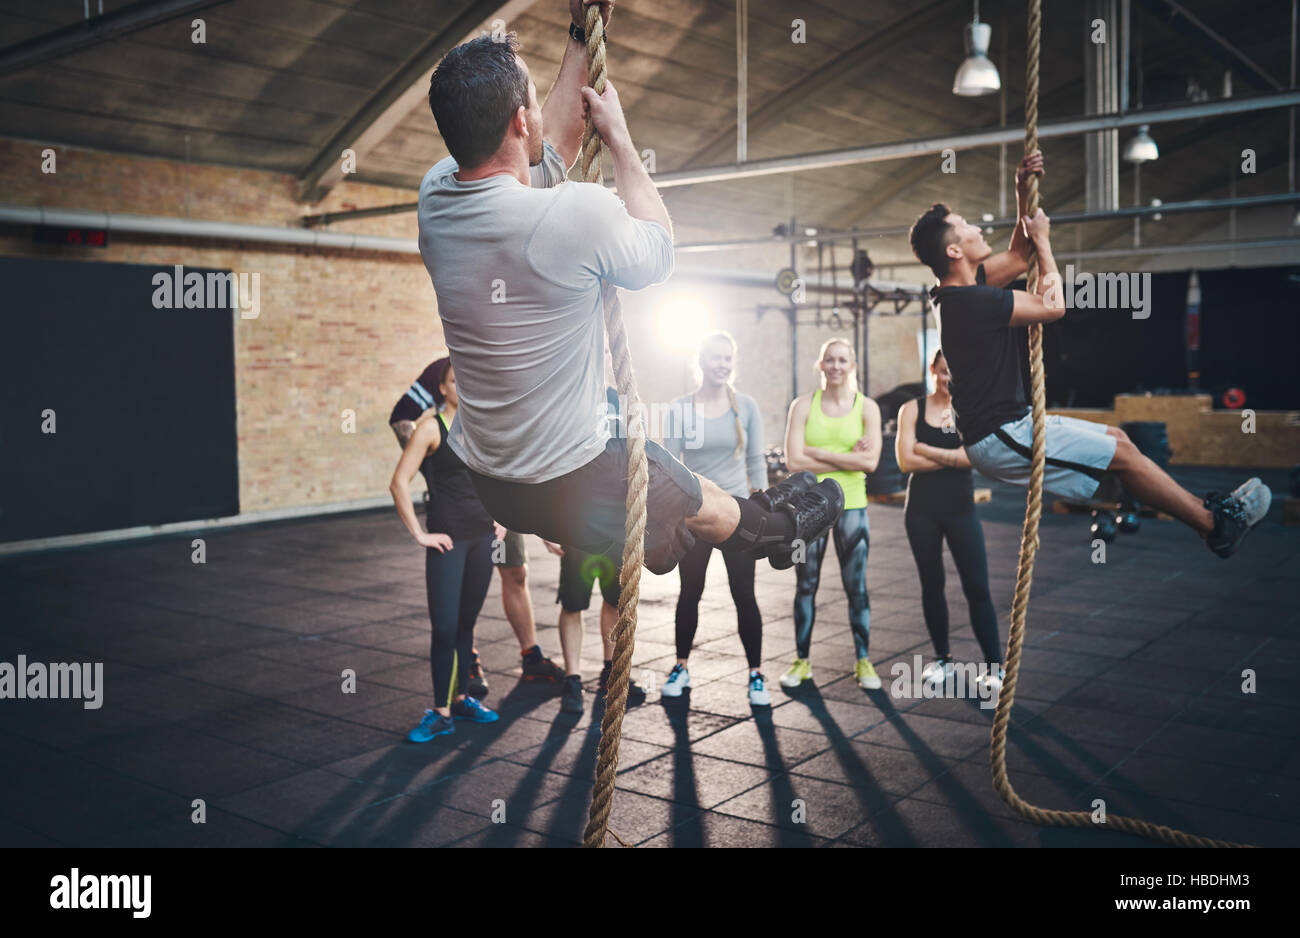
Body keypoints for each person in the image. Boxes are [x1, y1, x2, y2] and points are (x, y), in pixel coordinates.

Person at [416, 4, 843, 587]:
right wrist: (620, 140)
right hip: (567, 475)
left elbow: (554, 150)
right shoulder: (570, 216)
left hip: (492, 481)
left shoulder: (437, 196)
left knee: (637, 439)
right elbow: (658, 251)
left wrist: (581, 32)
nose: (542, 113)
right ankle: (770, 532)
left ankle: (669, 529)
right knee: (715, 509)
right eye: (535, 103)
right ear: (520, 120)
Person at [907, 150, 1269, 561]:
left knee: (1119, 439)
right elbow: (1053, 306)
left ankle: (1152, 499)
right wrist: (1044, 240)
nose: (977, 227)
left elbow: (1018, 256)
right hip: (1000, 437)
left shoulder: (964, 289)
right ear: (954, 252)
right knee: (1124, 455)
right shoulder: (970, 302)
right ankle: (1215, 526)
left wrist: (1022, 190)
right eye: (966, 227)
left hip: (1012, 425)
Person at [391, 361, 565, 693]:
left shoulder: (505, 360)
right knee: (451, 615)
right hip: (458, 506)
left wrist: (543, 525)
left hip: (498, 495)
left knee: (516, 572)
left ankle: (530, 656)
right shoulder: (442, 369)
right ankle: (464, 659)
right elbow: (401, 416)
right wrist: (438, 470)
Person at [388, 359, 500, 742]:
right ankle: (440, 712)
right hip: (448, 541)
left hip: (483, 539)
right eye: (456, 381)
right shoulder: (430, 428)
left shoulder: (483, 429)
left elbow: (500, 478)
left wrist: (501, 518)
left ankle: (462, 698)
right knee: (445, 627)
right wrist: (420, 534)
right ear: (444, 389)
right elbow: (399, 482)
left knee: (467, 625)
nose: (463, 387)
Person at [660, 333, 771, 706]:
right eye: (715, 358)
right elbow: (670, 468)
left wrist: (763, 509)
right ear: (701, 361)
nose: (722, 364)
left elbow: (755, 461)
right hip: (696, 514)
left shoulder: (747, 407)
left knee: (744, 594)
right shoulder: (679, 409)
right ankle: (680, 666)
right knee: (690, 592)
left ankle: (756, 675)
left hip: (739, 513)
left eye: (728, 358)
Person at [896, 349, 1004, 694]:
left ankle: (994, 668)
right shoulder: (911, 408)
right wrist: (952, 458)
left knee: (977, 587)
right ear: (932, 370)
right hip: (921, 512)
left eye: (954, 374)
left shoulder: (970, 410)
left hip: (961, 510)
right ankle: (942, 659)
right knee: (932, 585)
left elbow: (974, 459)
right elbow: (904, 461)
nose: (948, 380)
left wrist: (925, 449)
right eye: (943, 372)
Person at [779, 338, 884, 692]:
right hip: (808, 511)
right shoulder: (803, 405)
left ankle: (864, 662)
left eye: (843, 360)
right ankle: (802, 662)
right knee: (805, 585)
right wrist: (845, 457)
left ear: (851, 365)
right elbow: (793, 462)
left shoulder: (867, 408)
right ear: (820, 365)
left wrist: (816, 451)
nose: (836, 366)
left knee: (857, 588)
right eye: (830, 360)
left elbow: (870, 464)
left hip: (853, 507)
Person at [553, 545, 648, 714]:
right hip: (577, 533)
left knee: (616, 600)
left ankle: (611, 670)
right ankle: (572, 678)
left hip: (615, 533)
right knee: (572, 605)